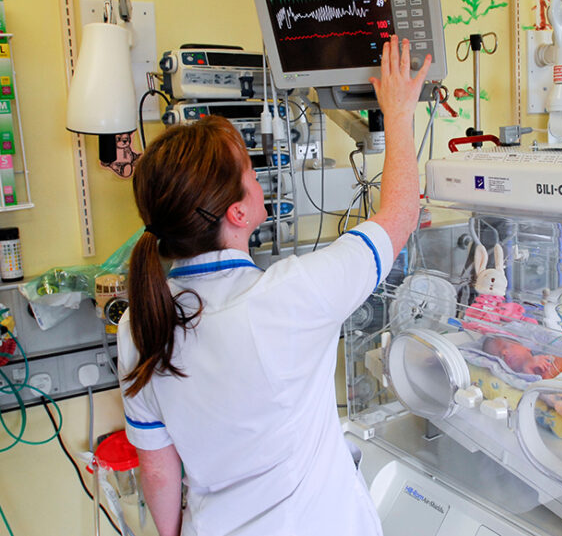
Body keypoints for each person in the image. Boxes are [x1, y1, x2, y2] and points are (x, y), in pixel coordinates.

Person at [117, 36, 431, 536]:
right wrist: (398, 113)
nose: (260, 180)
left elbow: (157, 467)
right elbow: (399, 214)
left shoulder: (139, 323)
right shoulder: (292, 295)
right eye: (250, 172)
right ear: (238, 212)